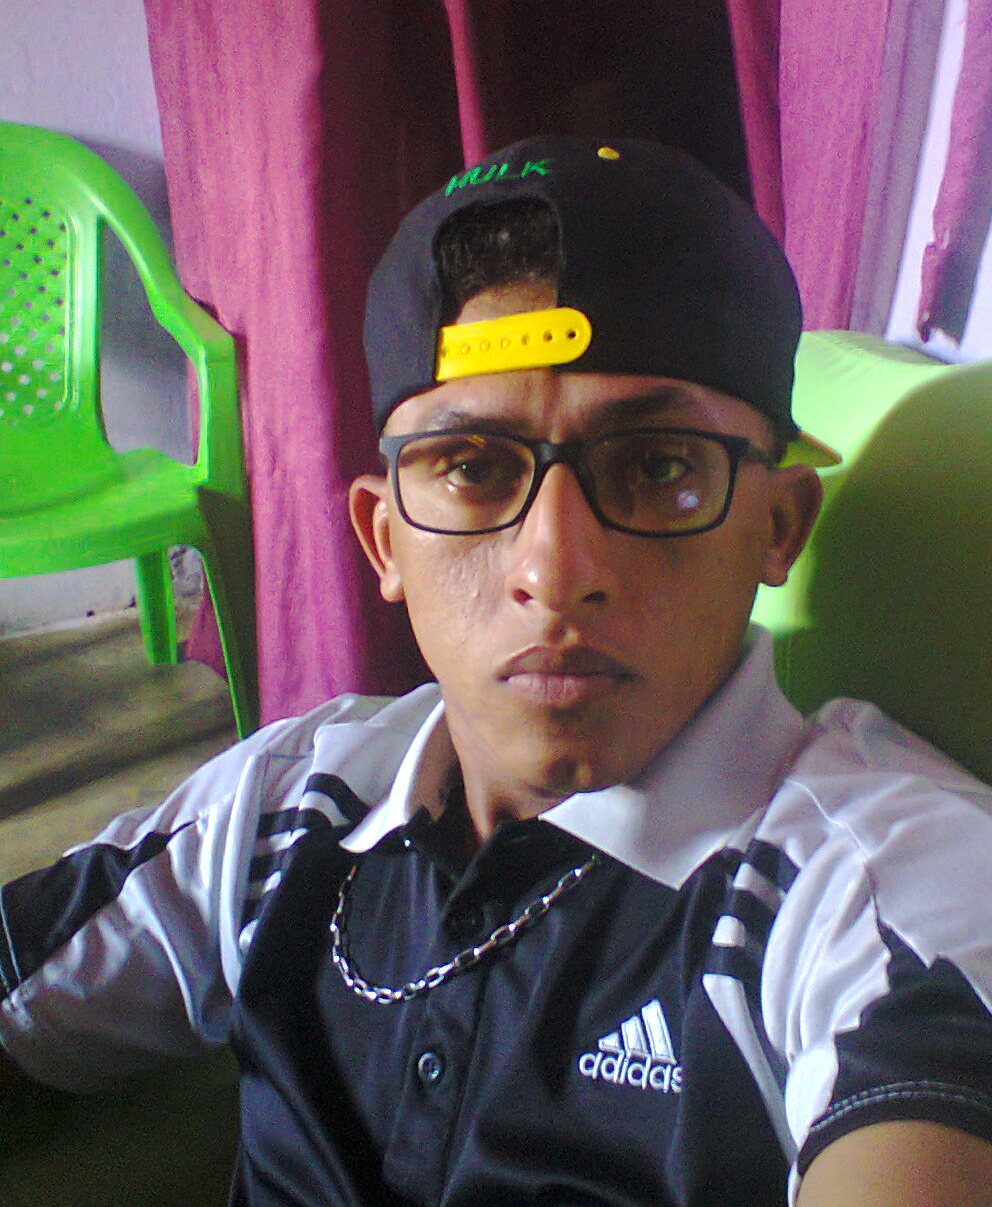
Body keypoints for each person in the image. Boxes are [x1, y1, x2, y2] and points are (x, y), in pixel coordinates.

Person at [3, 136, 992, 1206]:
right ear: (384, 540)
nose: (553, 571)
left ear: (776, 525)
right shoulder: (287, 806)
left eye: (658, 465)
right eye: (472, 469)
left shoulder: (870, 897)